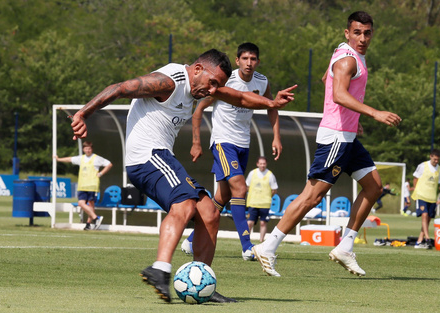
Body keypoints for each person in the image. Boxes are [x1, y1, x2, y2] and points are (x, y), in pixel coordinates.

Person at [69, 48, 296, 303]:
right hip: (147, 157)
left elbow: (240, 98)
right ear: (197, 69)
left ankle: (203, 280)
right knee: (184, 204)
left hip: (161, 158)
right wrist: (82, 114)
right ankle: (160, 268)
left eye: (217, 86)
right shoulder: (170, 82)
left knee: (209, 212)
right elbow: (122, 87)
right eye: (212, 83)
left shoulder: (199, 86)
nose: (212, 91)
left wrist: (271, 103)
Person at [251, 11, 402, 277]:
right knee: (312, 197)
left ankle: (345, 246)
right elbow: (339, 93)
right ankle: (268, 246)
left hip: (347, 136)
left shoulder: (343, 54)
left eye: (367, 33)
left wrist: (352, 118)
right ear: (347, 33)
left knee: (374, 186)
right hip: (335, 138)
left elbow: (325, 80)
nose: (363, 38)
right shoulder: (347, 60)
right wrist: (373, 113)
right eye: (357, 32)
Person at [182, 43, 282, 261]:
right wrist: (196, 142)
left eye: (253, 59)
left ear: (258, 61)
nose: (249, 62)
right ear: (237, 61)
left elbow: (271, 106)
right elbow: (199, 110)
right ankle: (247, 246)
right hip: (223, 142)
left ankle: (191, 239)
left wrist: (276, 137)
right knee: (240, 188)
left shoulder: (262, 82)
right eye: (245, 58)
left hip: (243, 144)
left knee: (224, 196)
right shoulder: (226, 82)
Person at [55, 141, 112, 230]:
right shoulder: (81, 158)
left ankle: (89, 224)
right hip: (82, 185)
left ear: (91, 149)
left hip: (92, 185)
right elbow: (70, 159)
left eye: (89, 148)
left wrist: (100, 173)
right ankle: (96, 218)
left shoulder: (96, 158)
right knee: (81, 203)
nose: (88, 150)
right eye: (86, 148)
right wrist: (59, 159)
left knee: (91, 205)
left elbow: (109, 164)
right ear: (83, 149)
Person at [411, 149, 440, 249]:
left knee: (428, 219)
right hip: (421, 195)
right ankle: (428, 238)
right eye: (435, 159)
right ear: (430, 156)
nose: (436, 161)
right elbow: (415, 179)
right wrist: (416, 193)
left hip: (432, 198)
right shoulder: (422, 166)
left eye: (438, 160)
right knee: (424, 215)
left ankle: (420, 241)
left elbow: (438, 184)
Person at [246, 156, 279, 243]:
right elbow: (247, 186)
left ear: (266, 164)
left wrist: (267, 196)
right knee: (249, 223)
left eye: (264, 163)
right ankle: (246, 240)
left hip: (265, 203)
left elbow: (274, 189)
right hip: (253, 202)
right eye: (260, 163)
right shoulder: (252, 173)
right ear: (257, 164)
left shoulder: (270, 175)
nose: (262, 165)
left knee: (263, 223)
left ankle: (261, 240)